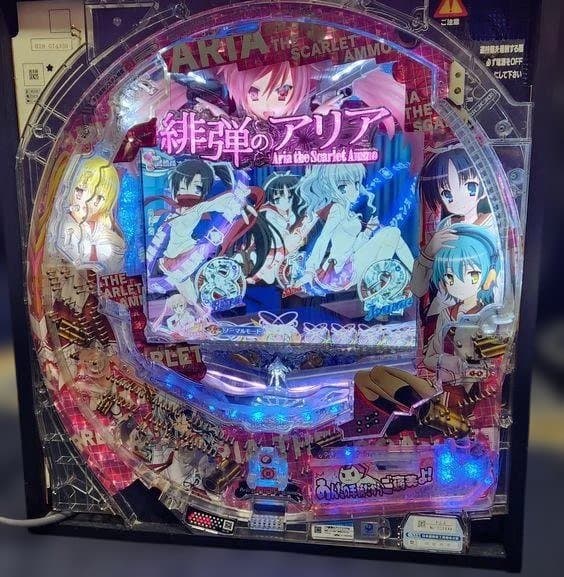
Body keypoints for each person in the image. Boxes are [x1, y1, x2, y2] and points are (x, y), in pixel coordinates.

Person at [296, 163, 414, 291]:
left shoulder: (347, 211)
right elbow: (323, 238)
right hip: (341, 272)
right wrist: (310, 270)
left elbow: (353, 247)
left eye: (358, 183)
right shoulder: (337, 209)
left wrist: (368, 231)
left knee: (392, 234)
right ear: (341, 188)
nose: (359, 188)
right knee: (392, 232)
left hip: (351, 262)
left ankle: (405, 275)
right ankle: (378, 280)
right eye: (355, 183)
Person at [411, 146, 498, 299]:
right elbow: (418, 289)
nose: (459, 199)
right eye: (447, 193)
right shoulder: (445, 227)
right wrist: (429, 252)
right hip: (447, 306)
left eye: (470, 186)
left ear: (484, 186)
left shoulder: (493, 225)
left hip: (481, 305)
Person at [423, 223, 501, 388]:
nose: (459, 283)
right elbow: (429, 359)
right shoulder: (446, 314)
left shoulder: (489, 318)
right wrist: (453, 364)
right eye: (450, 277)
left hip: (476, 393)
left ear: (488, 275)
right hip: (447, 388)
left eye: (472, 274)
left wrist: (465, 370)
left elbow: (491, 369)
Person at [57, 155, 125, 273]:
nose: (88, 200)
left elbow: (112, 267)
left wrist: (115, 247)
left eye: (99, 197)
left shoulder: (105, 233)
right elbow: (74, 254)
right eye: (81, 190)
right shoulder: (64, 225)